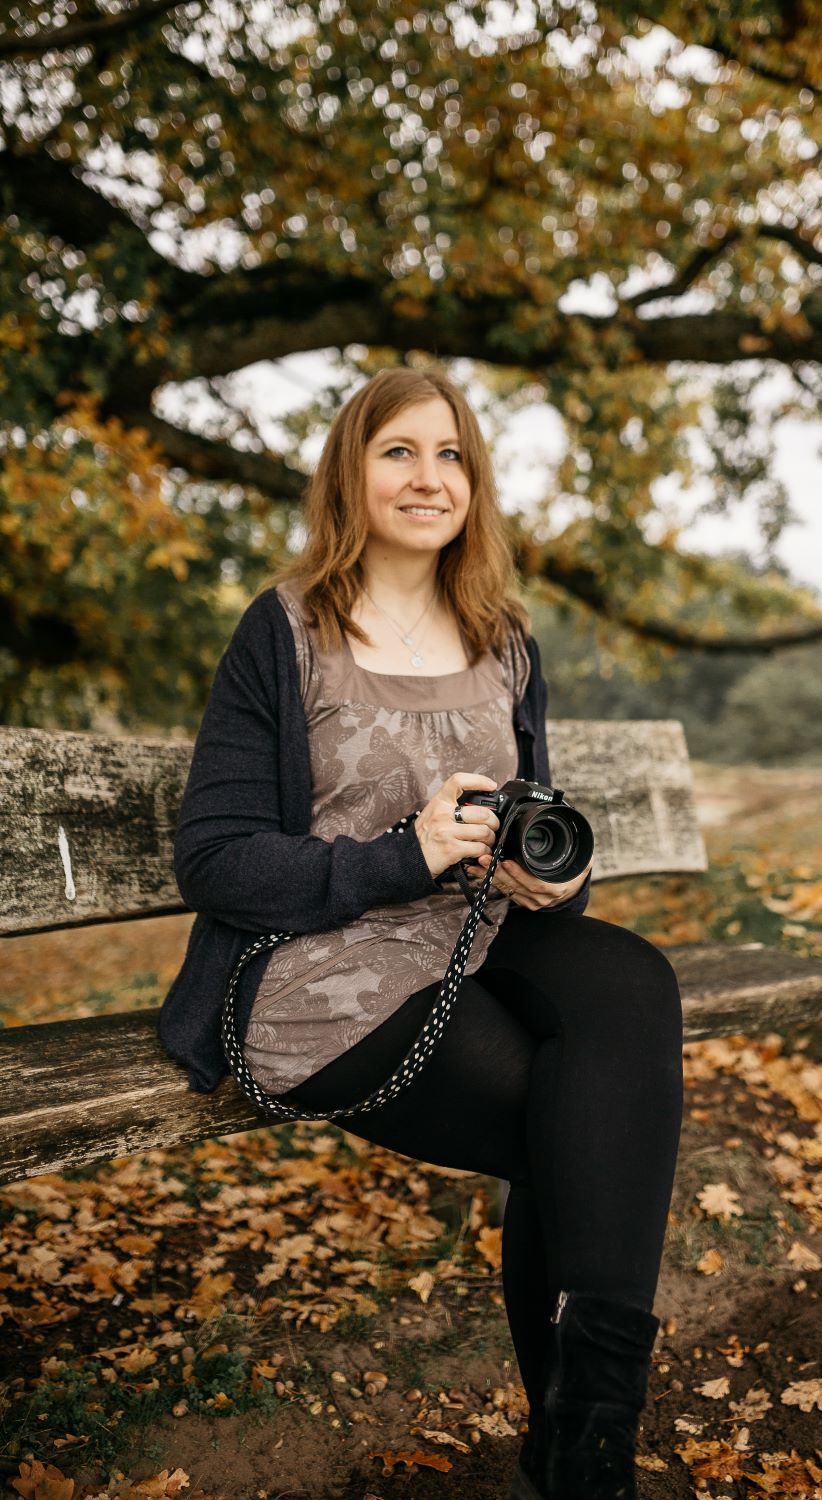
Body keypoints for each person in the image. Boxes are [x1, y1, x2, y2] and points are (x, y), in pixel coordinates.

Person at [157, 366, 684, 1500]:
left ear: (473, 482)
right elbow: (214, 857)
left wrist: (555, 877)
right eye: (398, 450)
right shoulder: (285, 631)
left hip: (478, 937)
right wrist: (406, 853)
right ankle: (585, 1458)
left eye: (450, 455)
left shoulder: (501, 633)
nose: (427, 477)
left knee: (631, 982)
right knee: (581, 1122)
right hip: (321, 962)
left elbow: (528, 816)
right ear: (351, 470)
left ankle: (585, 1437)